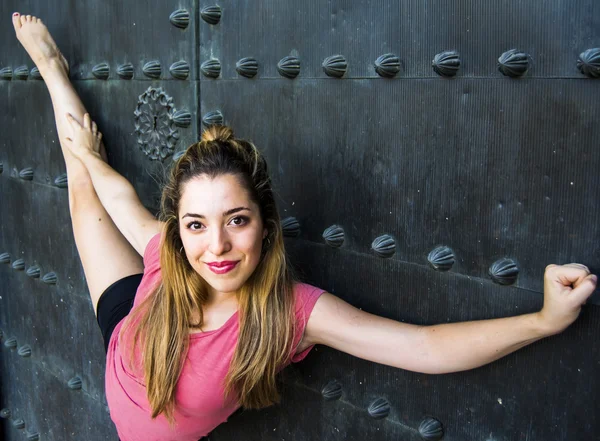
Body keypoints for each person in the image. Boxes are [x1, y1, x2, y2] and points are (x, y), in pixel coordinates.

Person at [11, 12, 597, 441]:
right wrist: (88, 156)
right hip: (126, 333)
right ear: (179, 227)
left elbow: (423, 345)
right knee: (84, 190)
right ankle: (53, 71)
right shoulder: (169, 252)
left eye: (236, 221)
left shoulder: (292, 314)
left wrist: (543, 322)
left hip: (143, 378)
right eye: (195, 224)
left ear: (265, 225)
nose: (214, 246)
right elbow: (122, 199)